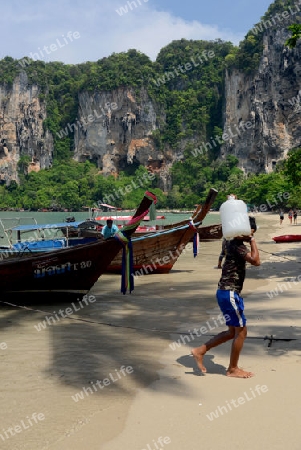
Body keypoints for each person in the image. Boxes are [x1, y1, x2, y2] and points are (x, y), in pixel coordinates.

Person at [191, 216, 260, 379]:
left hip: (226, 292)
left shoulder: (229, 241)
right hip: (229, 293)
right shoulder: (238, 245)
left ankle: (199, 351)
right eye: (250, 231)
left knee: (232, 332)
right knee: (241, 331)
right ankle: (232, 369)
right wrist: (253, 241)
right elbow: (256, 261)